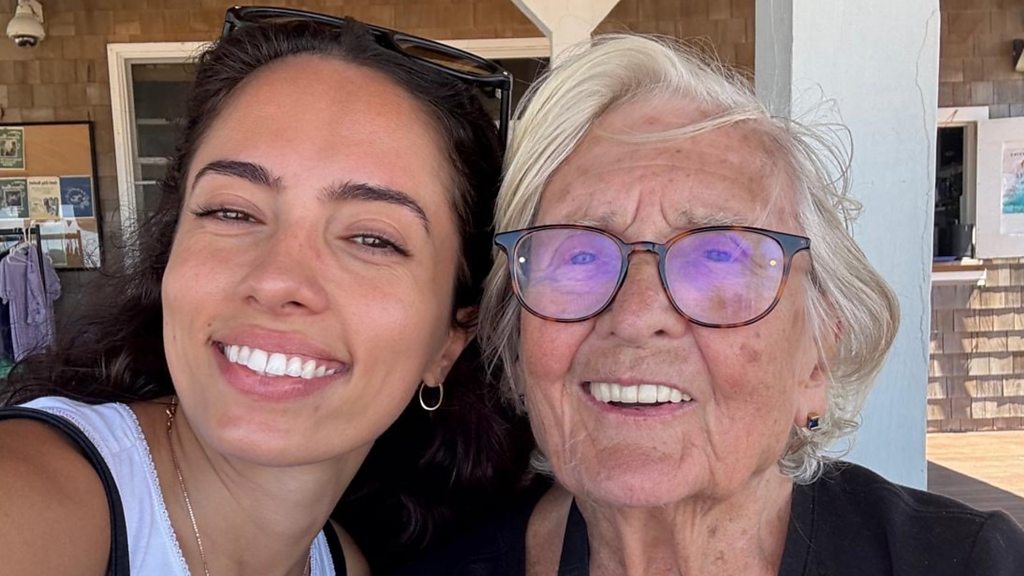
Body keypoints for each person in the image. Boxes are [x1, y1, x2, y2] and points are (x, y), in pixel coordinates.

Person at [407, 34, 1024, 575]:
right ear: (519, 349)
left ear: (816, 360)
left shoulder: (974, 562)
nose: (636, 316)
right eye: (580, 255)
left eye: (720, 257)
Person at [0, 7, 531, 576]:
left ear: (448, 342)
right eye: (232, 212)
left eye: (373, 239)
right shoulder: (29, 503)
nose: (277, 280)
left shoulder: (342, 563)